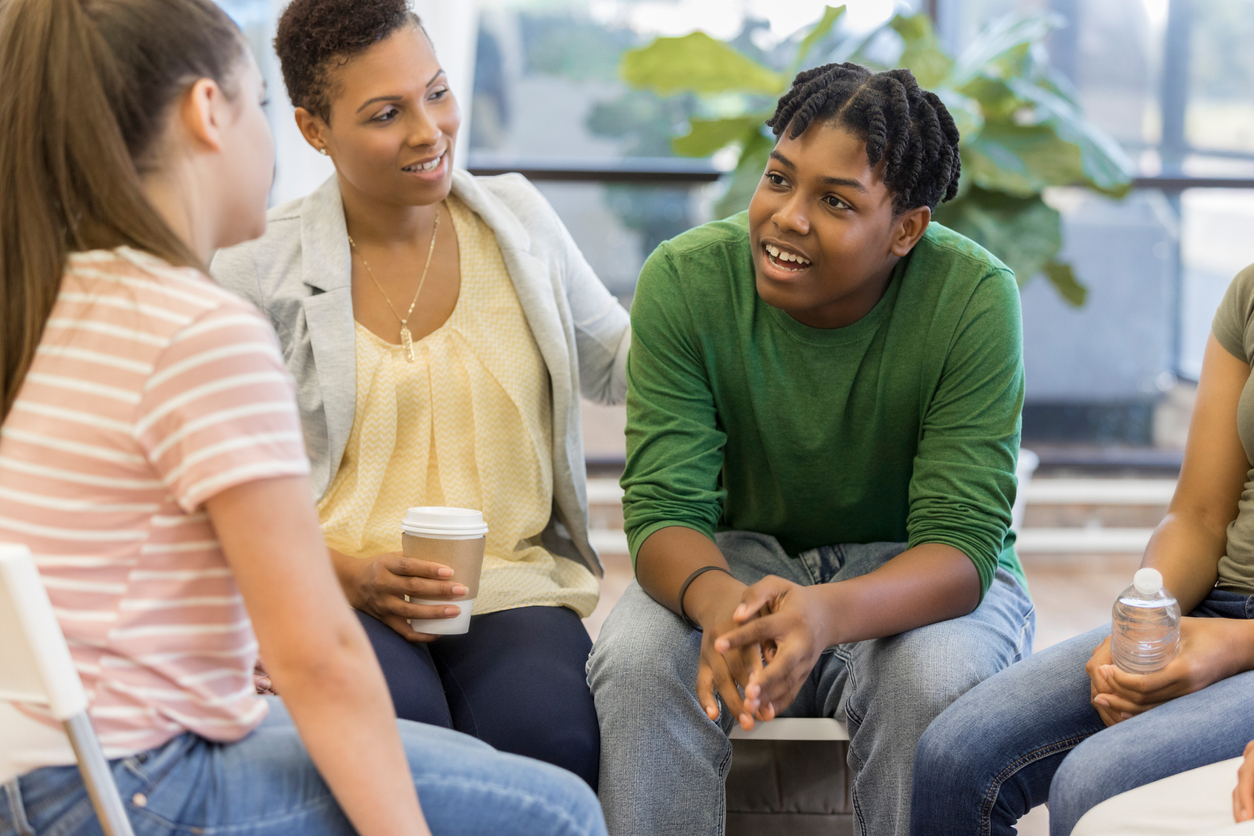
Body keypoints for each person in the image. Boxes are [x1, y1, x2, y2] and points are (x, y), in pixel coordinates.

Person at [0, 1, 606, 835]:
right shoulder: (201, 326)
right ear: (209, 113)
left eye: (434, 94)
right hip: (141, 780)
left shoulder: (52, 297)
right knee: (557, 812)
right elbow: (317, 660)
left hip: (42, 772)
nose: (427, 129)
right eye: (255, 105)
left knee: (530, 736)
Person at [587, 62, 1035, 836]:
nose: (787, 217)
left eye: (834, 201)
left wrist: (823, 615)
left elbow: (961, 551)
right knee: (634, 667)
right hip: (736, 566)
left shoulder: (972, 299)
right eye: (778, 179)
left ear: (905, 229)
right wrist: (720, 604)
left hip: (911, 581)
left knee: (929, 683)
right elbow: (663, 510)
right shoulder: (687, 281)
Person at [210, 0, 628, 790]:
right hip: (336, 586)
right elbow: (216, 487)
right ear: (312, 129)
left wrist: (765, 303)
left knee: (551, 747)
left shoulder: (520, 221)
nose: (429, 130)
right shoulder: (254, 267)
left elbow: (626, 363)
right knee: (397, 748)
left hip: (508, 584)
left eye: (436, 93)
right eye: (385, 113)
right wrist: (347, 573)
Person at [910, 261, 1254, 836]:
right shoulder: (1248, 291)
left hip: (1237, 640)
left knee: (1090, 788)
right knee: (953, 757)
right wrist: (1147, 618)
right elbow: (1199, 513)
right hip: (1209, 611)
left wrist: (1236, 646)